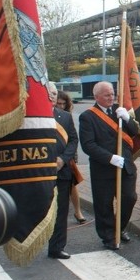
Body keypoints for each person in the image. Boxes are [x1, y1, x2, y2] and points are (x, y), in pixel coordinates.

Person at [78, 81, 139, 250]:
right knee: (104, 204)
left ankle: (119, 228)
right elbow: (88, 145)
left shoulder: (120, 111)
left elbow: (135, 132)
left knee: (130, 198)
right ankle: (108, 236)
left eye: (112, 93)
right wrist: (110, 158)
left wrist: (127, 119)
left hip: (125, 165)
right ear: (96, 96)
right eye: (107, 95)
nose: (111, 97)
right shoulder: (88, 116)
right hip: (103, 168)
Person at [47, 83, 78, 260]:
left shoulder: (65, 116)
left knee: (61, 211)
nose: (52, 96)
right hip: (39, 172)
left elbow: (73, 140)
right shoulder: (32, 116)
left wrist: (63, 158)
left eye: (53, 93)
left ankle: (57, 247)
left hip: (61, 170)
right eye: (48, 93)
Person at [55, 91, 86, 223]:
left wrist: (68, 157)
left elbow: (73, 138)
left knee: (72, 184)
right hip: (57, 155)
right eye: (58, 103)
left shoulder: (67, 116)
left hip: (68, 155)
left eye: (63, 104)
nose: (61, 106)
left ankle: (78, 211)